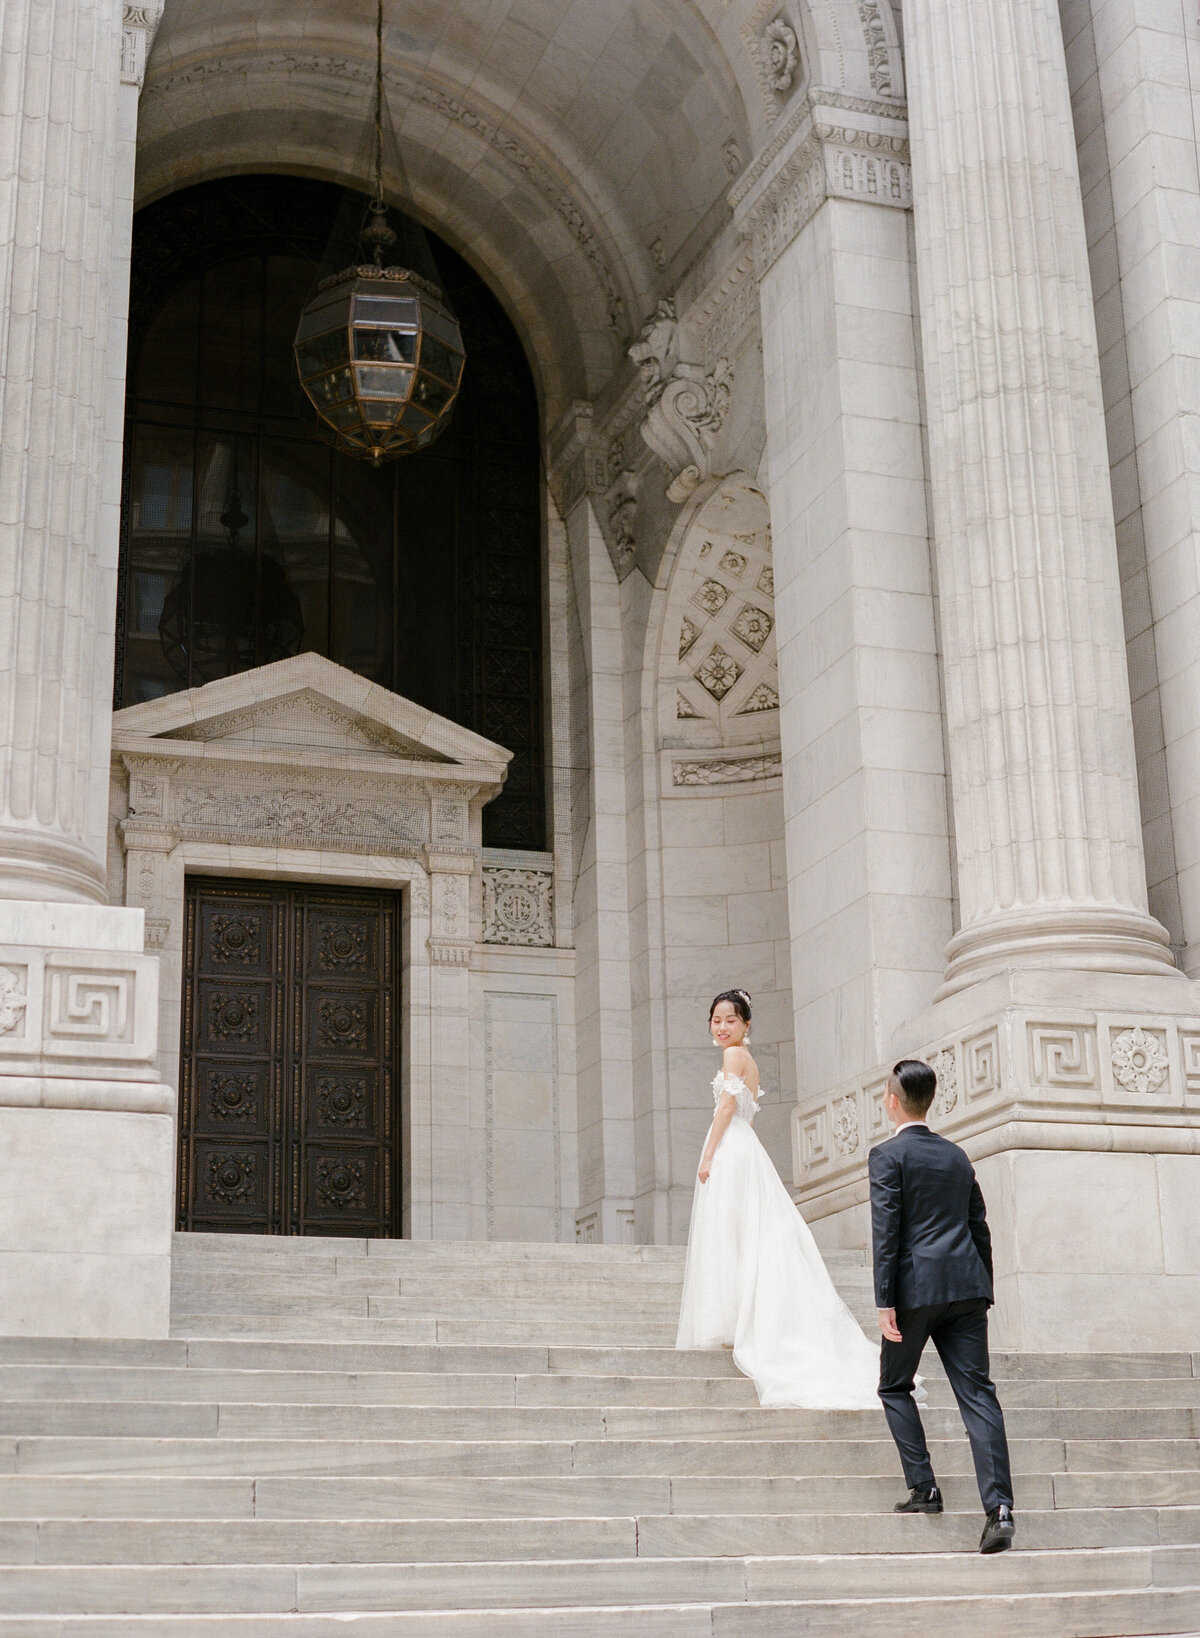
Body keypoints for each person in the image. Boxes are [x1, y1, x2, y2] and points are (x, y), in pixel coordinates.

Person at [675, 988, 882, 1409]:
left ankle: (734, 1322)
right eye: (715, 1020)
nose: (721, 1027)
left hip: (732, 1148)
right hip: (745, 1149)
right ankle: (740, 1319)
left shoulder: (735, 1058)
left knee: (729, 1230)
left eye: (730, 1020)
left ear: (746, 1025)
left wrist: (709, 1153)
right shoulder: (745, 1060)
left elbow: (727, 1107)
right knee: (744, 1231)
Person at [870, 1057, 1016, 1554]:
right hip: (967, 1288)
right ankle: (999, 1510)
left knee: (894, 1385)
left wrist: (884, 1301)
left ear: (893, 1101)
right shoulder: (957, 1156)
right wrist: (983, 1287)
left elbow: (886, 1232)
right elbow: (980, 1227)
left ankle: (924, 1488)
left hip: (914, 1291)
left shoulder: (887, 1156)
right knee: (978, 1395)